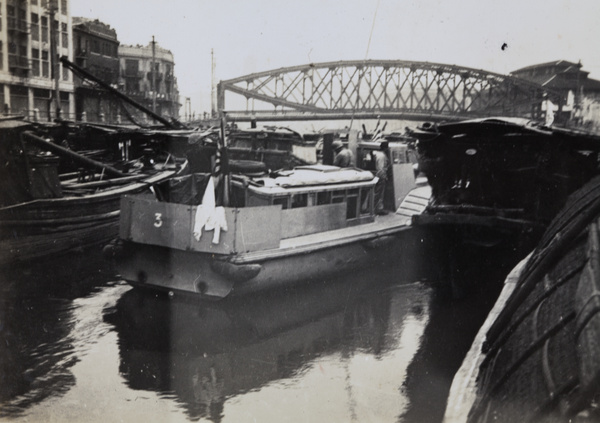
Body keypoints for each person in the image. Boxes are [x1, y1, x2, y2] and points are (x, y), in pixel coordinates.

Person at [372, 141, 390, 215]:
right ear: (386, 148)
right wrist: (383, 177)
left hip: (378, 176)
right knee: (379, 194)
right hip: (381, 177)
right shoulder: (382, 156)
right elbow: (380, 168)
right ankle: (377, 210)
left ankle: (376, 209)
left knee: (378, 193)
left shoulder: (377, 154)